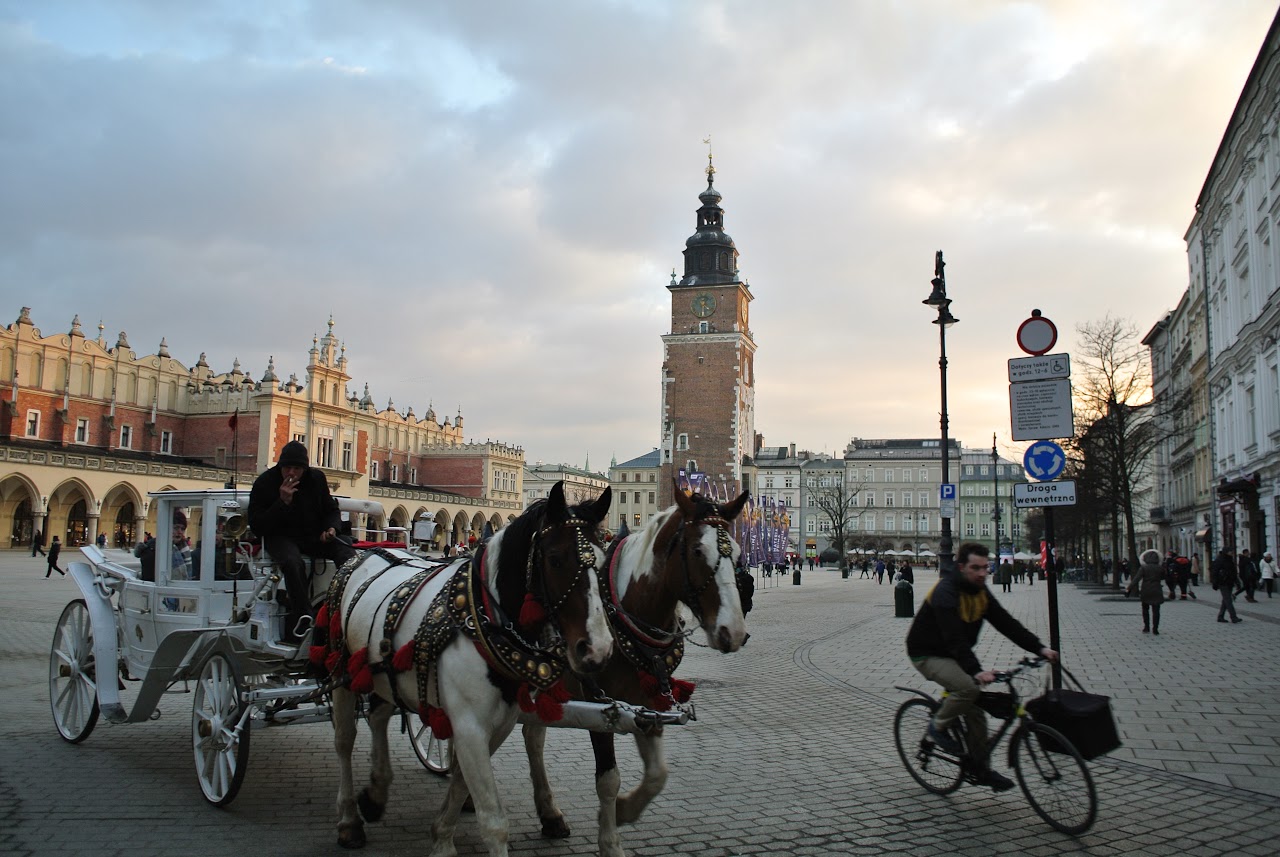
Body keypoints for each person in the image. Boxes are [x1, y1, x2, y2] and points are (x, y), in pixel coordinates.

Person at [905, 542, 1059, 791]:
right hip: (926, 653)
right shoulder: (945, 592)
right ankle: (938, 726)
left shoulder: (980, 592)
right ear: (961, 567)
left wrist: (1040, 649)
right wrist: (976, 671)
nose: (981, 573)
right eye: (975, 568)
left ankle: (980, 768)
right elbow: (954, 638)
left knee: (975, 712)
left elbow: (1007, 624)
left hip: (954, 653)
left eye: (985, 568)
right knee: (967, 688)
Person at [248, 440, 355, 639]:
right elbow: (258, 525)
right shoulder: (264, 483)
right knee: (291, 562)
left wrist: (331, 528)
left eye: (297, 469)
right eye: (287, 468)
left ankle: (347, 604)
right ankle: (303, 615)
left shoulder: (316, 478)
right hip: (280, 536)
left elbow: (330, 509)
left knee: (348, 553)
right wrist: (282, 502)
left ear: (304, 469)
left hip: (312, 536)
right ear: (280, 466)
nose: (291, 473)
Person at [1127, 549, 1166, 634]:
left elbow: (1136, 579)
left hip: (1146, 590)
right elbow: (1164, 577)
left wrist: (1129, 587)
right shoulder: (1160, 568)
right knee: (1156, 610)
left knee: (1145, 609)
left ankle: (1146, 627)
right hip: (1157, 589)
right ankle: (1155, 628)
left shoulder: (1143, 568)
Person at [1212, 549, 1241, 624]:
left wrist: (1237, 582)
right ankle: (1233, 617)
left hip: (1230, 582)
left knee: (1225, 600)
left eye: (1231, 552)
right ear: (1225, 553)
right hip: (1223, 583)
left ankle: (1220, 616)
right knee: (1228, 600)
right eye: (1230, 552)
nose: (1231, 553)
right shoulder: (1220, 560)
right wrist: (1215, 583)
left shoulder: (1230, 560)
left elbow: (1233, 572)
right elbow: (1215, 572)